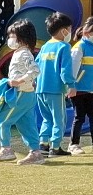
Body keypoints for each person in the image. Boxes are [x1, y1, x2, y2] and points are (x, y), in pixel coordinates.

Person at [0, 20, 43, 165]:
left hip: (20, 93)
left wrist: (19, 81)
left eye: (12, 36)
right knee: (26, 124)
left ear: (23, 37)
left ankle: (6, 149)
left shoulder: (23, 54)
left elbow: (35, 70)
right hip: (28, 94)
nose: (10, 39)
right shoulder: (21, 52)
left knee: (0, 120)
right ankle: (35, 152)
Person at [35, 11, 76, 158]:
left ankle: (43, 144)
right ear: (63, 30)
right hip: (55, 89)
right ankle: (56, 147)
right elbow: (65, 69)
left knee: (47, 119)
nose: (70, 32)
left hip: (40, 89)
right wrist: (71, 85)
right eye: (69, 29)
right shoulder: (64, 47)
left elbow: (36, 66)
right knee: (60, 119)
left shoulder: (45, 46)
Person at [70, 18, 93, 156]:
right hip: (78, 90)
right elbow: (72, 68)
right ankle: (73, 144)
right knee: (79, 117)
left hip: (91, 89)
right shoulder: (79, 47)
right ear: (87, 32)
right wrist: (71, 86)